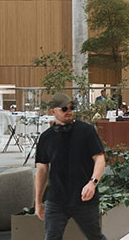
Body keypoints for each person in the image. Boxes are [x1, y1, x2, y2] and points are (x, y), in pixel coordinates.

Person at [34, 92, 107, 240]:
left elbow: (100, 158)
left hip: (83, 198)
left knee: (95, 237)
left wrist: (92, 183)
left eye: (71, 107)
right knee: (52, 237)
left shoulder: (86, 131)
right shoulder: (46, 137)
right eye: (64, 109)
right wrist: (38, 201)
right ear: (53, 112)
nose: (69, 112)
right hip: (56, 199)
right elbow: (42, 170)